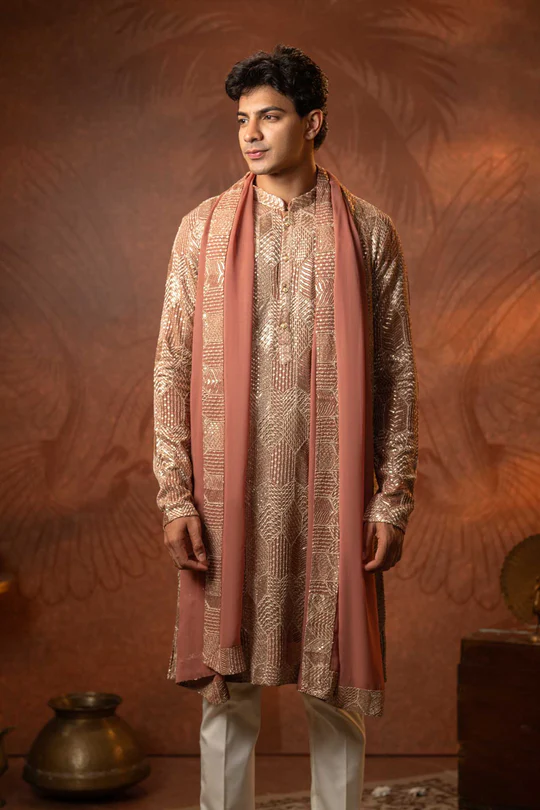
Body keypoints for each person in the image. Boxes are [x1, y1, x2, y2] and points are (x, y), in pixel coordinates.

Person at [153, 43, 419, 810]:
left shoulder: (368, 234)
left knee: (333, 692)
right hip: (225, 498)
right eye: (242, 119)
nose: (251, 133)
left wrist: (392, 499)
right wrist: (174, 495)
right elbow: (171, 366)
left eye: (270, 116)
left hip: (331, 498)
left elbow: (396, 373)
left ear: (314, 122)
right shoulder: (202, 231)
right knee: (226, 693)